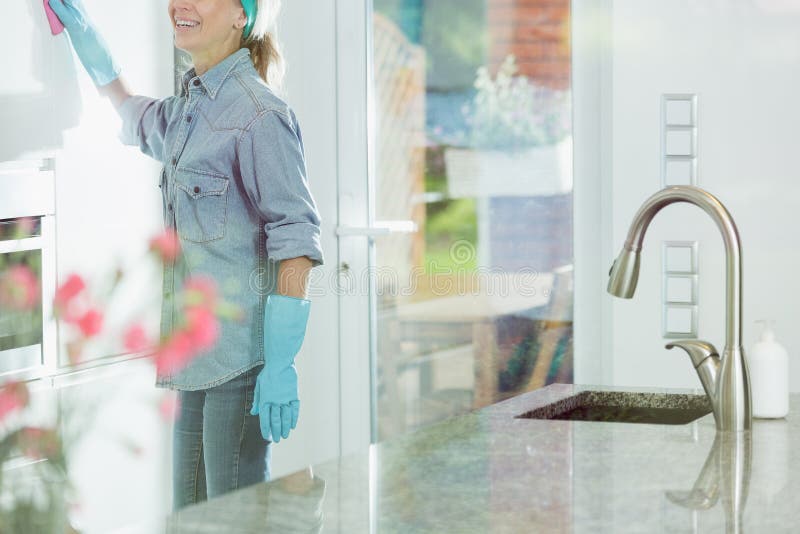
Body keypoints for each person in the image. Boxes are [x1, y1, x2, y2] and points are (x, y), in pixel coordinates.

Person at [49, 0, 324, 510]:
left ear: (243, 15)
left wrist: (281, 362)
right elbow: (133, 113)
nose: (180, 4)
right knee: (194, 519)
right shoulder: (188, 110)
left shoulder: (260, 115)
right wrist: (87, 38)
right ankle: (293, 509)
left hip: (240, 365)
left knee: (233, 519)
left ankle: (299, 513)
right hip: (194, 360)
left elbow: (296, 244)